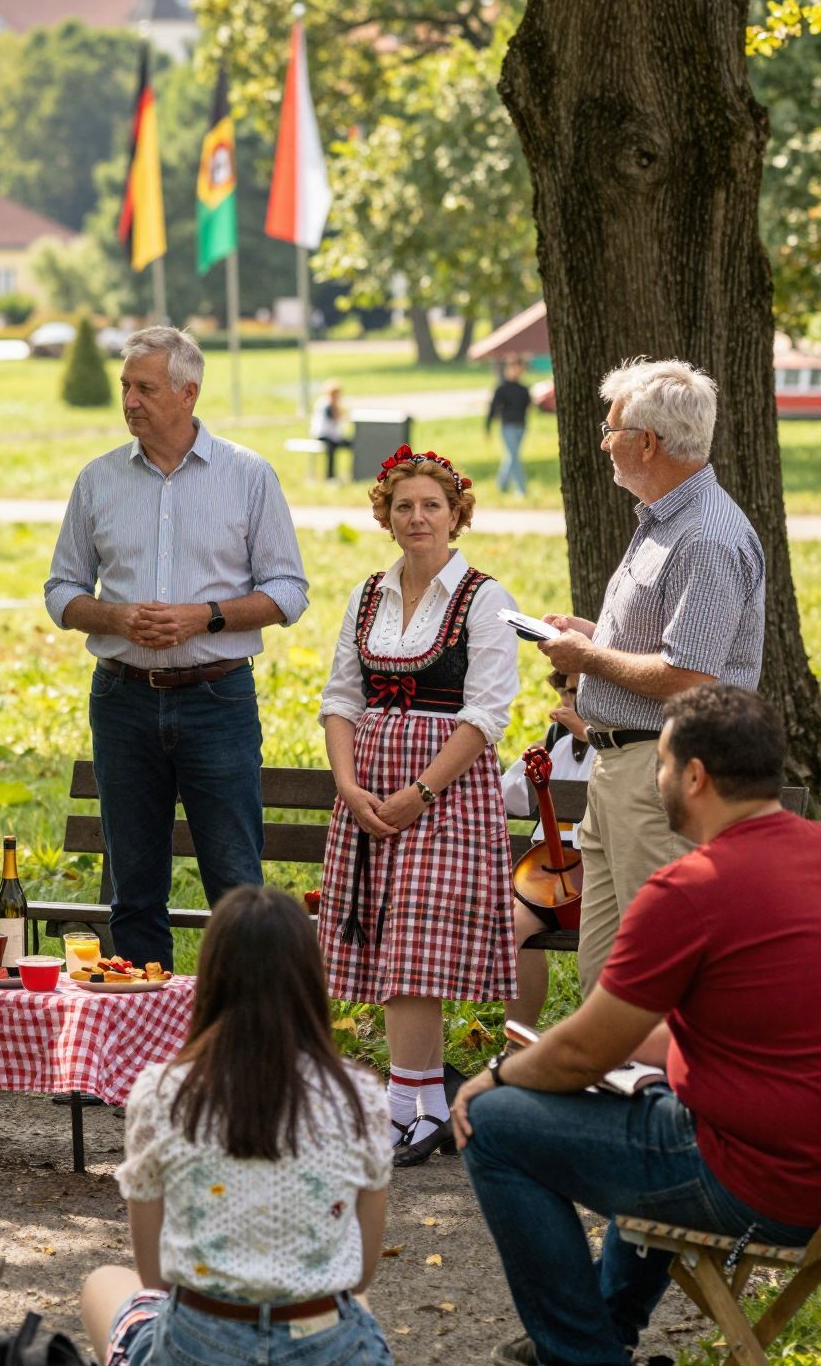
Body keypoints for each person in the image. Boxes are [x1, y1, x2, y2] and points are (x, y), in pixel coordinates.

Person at [454, 685, 821, 1366]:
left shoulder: (689, 888)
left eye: (660, 763)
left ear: (695, 777)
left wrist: (493, 1077)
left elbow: (585, 1052)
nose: (656, 780)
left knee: (491, 1126)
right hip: (801, 1165)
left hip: (761, 1183)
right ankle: (605, 1330)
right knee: (649, 1097)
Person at [81, 885, 394, 1366]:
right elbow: (361, 1274)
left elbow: (154, 1280)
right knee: (352, 1300)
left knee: (103, 1284)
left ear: (211, 980)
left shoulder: (161, 1093)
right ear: (311, 979)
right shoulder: (361, 1096)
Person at [45, 327, 308, 972]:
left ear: (188, 393)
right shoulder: (98, 479)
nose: (130, 401)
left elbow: (289, 592)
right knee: (133, 891)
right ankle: (141, 1023)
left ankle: (245, 1020)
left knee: (235, 884)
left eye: (145, 388)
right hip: (121, 699)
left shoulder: (248, 475)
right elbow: (61, 592)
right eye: (125, 387)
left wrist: (204, 617)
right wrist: (114, 617)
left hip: (217, 698)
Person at [317, 444, 520, 1165]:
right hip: (370, 787)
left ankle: (405, 1108)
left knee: (413, 947)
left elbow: (486, 715)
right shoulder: (367, 595)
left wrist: (422, 791)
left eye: (432, 505)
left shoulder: (485, 598)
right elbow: (341, 698)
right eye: (403, 505)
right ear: (387, 515)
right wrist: (348, 786)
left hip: (446, 792)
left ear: (455, 513)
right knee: (391, 944)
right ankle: (426, 1108)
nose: (417, 517)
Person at [538, 358, 764, 995]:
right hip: (622, 769)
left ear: (647, 442)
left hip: (663, 770)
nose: (603, 443)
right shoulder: (668, 520)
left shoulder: (706, 537)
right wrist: (592, 637)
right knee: (607, 977)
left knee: (658, 977)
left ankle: (665, 1070)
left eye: (610, 430)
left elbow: (690, 678)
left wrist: (587, 660)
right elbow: (667, 649)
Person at [498, 670, 596, 1027]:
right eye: (567, 692)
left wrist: (589, 734)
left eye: (582, 691)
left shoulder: (620, 745)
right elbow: (508, 799)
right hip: (548, 881)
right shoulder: (556, 740)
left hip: (598, 882)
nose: (572, 701)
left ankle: (603, 1040)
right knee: (510, 929)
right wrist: (540, 752)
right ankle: (518, 1041)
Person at [486, 358, 532, 496]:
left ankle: (501, 484)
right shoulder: (501, 388)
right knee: (514, 457)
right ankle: (522, 489)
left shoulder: (524, 389)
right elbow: (492, 408)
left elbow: (528, 406)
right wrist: (488, 426)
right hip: (507, 426)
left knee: (511, 456)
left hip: (521, 426)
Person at [310, 384, 353, 482]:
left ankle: (350, 473)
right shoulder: (326, 404)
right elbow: (335, 417)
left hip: (332, 436)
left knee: (352, 444)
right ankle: (330, 476)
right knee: (331, 448)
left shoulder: (328, 404)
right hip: (323, 435)